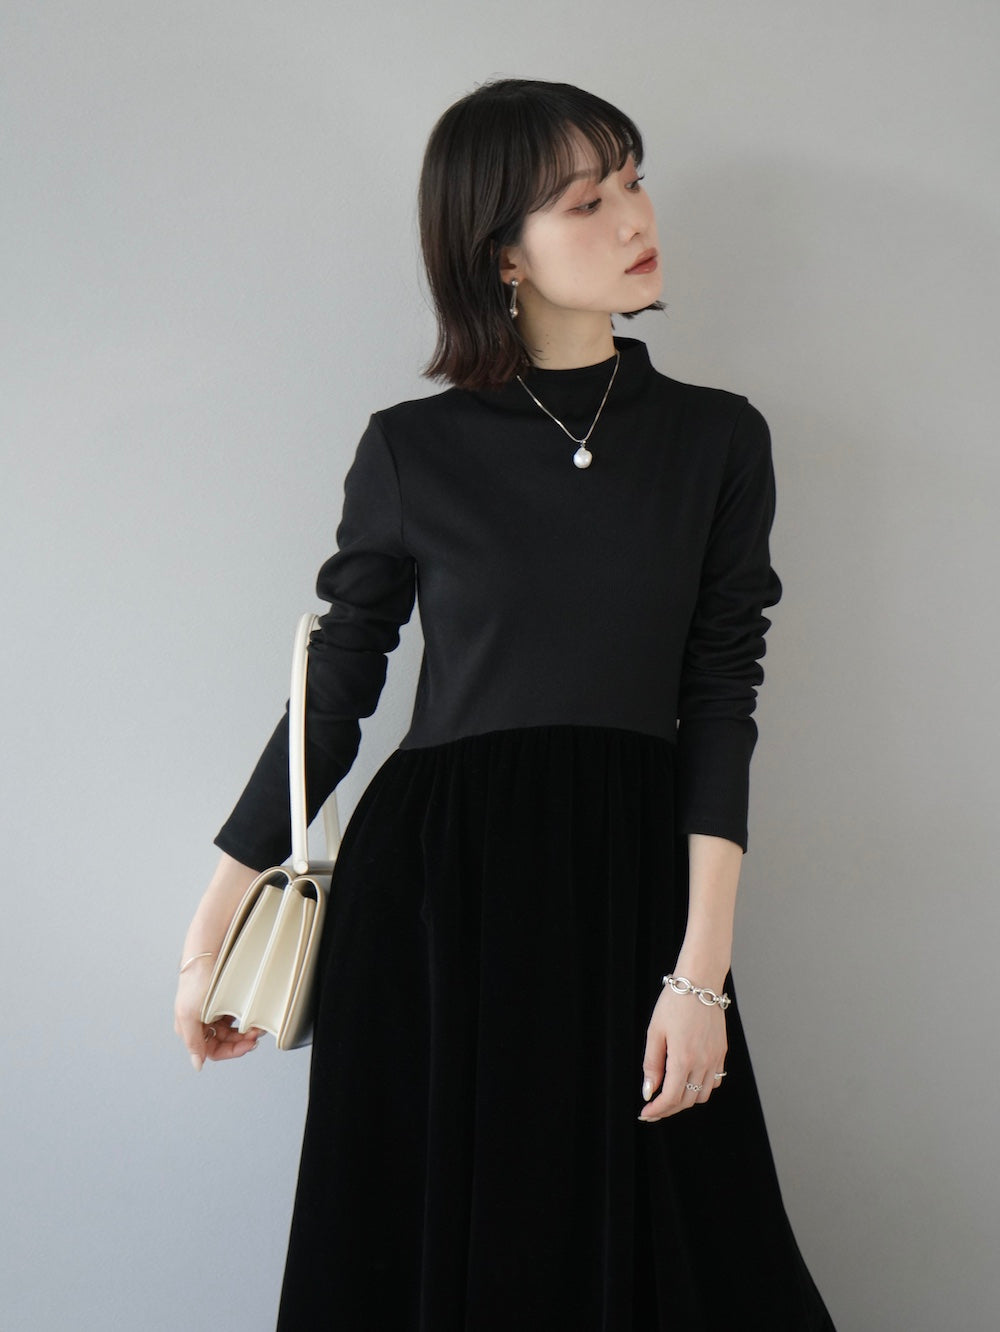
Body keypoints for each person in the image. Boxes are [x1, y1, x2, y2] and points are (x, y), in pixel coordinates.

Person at [174, 77, 837, 1330]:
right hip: (436, 897)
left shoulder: (716, 440)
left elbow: (720, 696)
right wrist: (215, 932)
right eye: (586, 201)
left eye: (632, 180)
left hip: (631, 881)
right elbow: (336, 688)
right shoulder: (410, 449)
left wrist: (700, 975)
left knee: (691, 1246)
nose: (633, 216)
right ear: (503, 256)